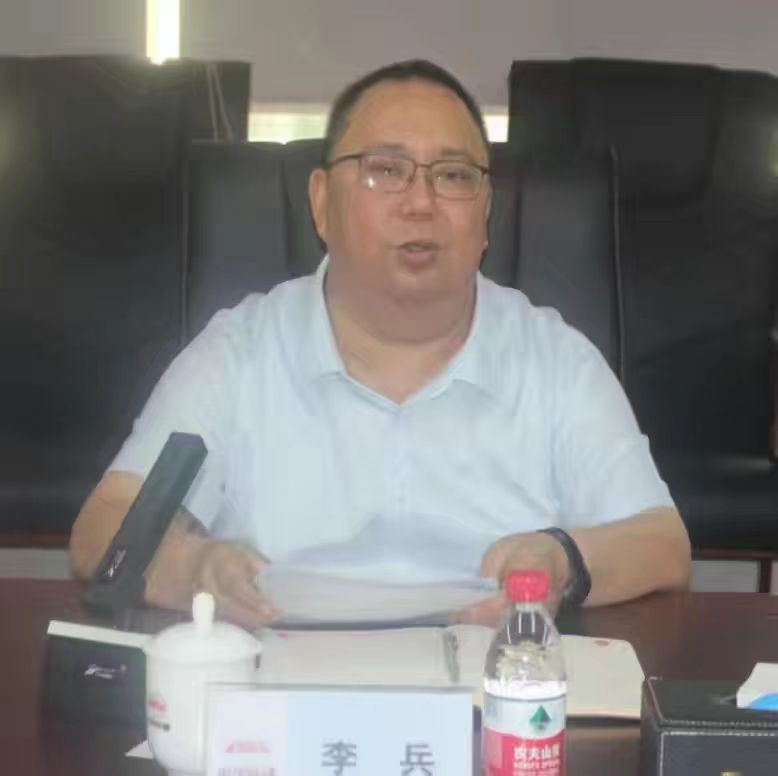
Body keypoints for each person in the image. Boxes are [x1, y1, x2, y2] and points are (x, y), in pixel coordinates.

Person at [69, 60, 690, 628]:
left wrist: (564, 560)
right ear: (321, 203)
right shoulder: (240, 351)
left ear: (485, 215)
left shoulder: (554, 359)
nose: (420, 202)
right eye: (386, 171)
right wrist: (192, 568)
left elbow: (662, 545)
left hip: (493, 686)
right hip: (280, 684)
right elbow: (102, 527)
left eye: (453, 176)